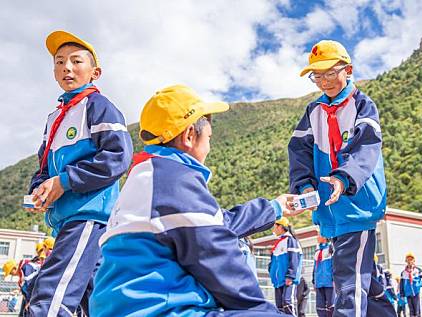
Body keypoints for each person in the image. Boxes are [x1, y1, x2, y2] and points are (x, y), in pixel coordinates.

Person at [89, 84, 297, 316]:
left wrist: (275, 207)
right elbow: (215, 251)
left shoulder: (148, 175)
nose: (209, 146)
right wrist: (259, 309)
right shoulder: (174, 179)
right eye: (208, 137)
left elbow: (217, 225)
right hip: (158, 310)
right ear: (190, 135)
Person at [25, 30, 133, 317]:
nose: (66, 68)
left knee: (50, 294)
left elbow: (118, 156)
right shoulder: (55, 118)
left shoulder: (99, 106)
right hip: (65, 217)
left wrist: (65, 181)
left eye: (75, 61)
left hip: (88, 213)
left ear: (95, 72)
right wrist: (40, 188)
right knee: (97, 300)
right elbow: (44, 165)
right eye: (59, 62)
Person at [289, 39, 390, 317]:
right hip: (329, 208)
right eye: (317, 76)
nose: (324, 81)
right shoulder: (313, 112)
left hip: (357, 204)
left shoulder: (363, 105)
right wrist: (305, 186)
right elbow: (298, 152)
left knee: (349, 283)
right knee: (359, 278)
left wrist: (343, 179)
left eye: (331, 73)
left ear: (348, 70)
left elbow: (366, 147)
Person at [269, 218, 303, 316]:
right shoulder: (279, 242)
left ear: (281, 227)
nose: (273, 229)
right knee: (279, 307)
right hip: (278, 280)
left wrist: (290, 276)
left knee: (287, 303)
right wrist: (271, 271)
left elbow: (294, 259)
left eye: (275, 226)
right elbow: (273, 261)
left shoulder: (291, 240)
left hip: (287, 279)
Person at [313, 233, 334, 317]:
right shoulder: (317, 251)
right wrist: (314, 281)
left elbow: (335, 266)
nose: (317, 237)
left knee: (331, 307)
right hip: (319, 283)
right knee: (320, 308)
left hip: (330, 283)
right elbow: (314, 268)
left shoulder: (331, 249)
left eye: (319, 235)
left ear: (325, 237)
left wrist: (334, 280)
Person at [399, 253, 422, 317]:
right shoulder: (403, 272)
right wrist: (402, 293)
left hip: (416, 292)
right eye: (408, 260)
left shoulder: (417, 270)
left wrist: (420, 285)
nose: (409, 261)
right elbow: (401, 284)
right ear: (406, 261)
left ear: (414, 261)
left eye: (411, 260)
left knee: (417, 310)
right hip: (408, 293)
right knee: (411, 310)